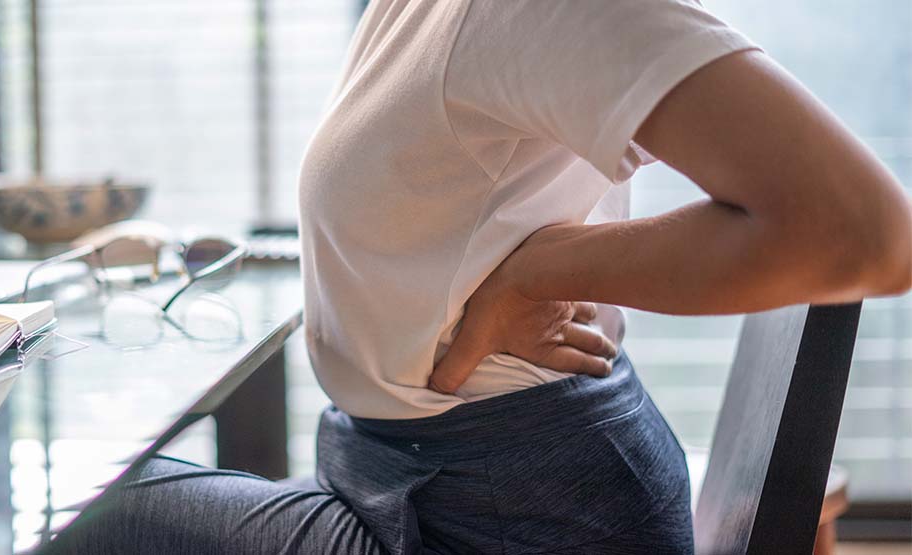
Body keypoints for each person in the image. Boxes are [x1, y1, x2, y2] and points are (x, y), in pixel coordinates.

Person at [46, 1, 912, 553]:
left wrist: (537, 274)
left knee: (77, 516)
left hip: (514, 515)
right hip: (425, 484)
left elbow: (867, 235)